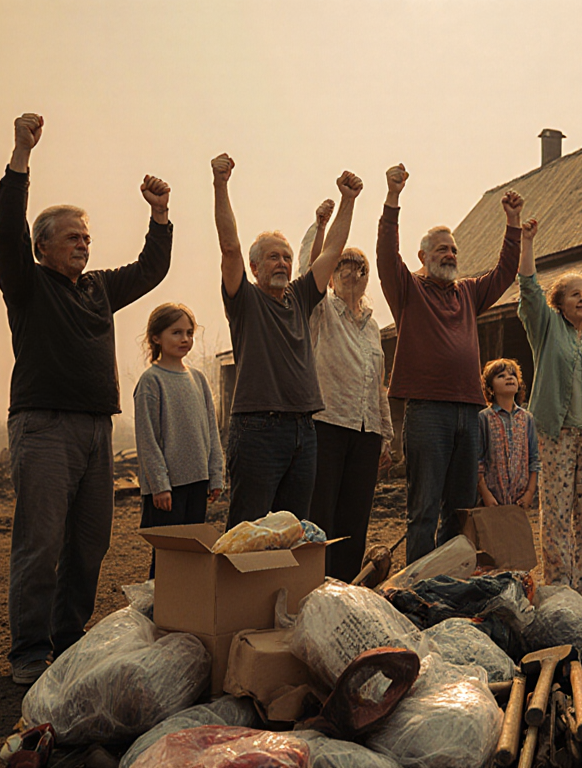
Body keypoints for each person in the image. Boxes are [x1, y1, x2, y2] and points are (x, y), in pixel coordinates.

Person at [0, 113, 172, 684]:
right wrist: (21, 156)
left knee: (89, 545)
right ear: (43, 245)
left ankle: (68, 641)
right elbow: (4, 232)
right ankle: (27, 654)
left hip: (97, 430)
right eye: (72, 237)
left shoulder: (99, 288)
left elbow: (152, 267)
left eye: (87, 238)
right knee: (39, 543)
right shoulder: (27, 282)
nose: (83, 245)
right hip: (43, 427)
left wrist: (160, 214)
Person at [377, 164, 523, 563]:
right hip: (428, 412)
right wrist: (393, 199)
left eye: (454, 248)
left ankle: (449, 585)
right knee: (423, 508)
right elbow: (386, 253)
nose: (450, 254)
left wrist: (512, 224)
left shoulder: (469, 293)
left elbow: (505, 272)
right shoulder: (407, 288)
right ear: (422, 256)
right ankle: (416, 591)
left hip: (469, 412)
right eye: (442, 248)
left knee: (460, 510)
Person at [213, 153, 361, 528]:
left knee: (294, 530)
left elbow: (332, 250)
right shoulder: (244, 300)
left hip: (304, 431)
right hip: (258, 430)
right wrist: (220, 184)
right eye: (272, 258)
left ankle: (283, 590)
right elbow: (229, 247)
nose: (281, 263)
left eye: (286, 257)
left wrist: (348, 200)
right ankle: (240, 590)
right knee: (249, 529)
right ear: (254, 267)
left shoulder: (300, 296)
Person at [517, 218, 582, 596]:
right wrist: (526, 239)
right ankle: (560, 587)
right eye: (574, 294)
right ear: (558, 303)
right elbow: (528, 289)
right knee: (558, 514)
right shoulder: (546, 328)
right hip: (555, 435)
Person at [295, 236, 394, 583]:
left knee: (355, 518)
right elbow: (308, 272)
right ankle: (312, 587)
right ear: (332, 275)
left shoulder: (372, 326)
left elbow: (378, 382)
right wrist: (320, 228)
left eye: (361, 268)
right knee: (320, 513)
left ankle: (345, 590)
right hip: (328, 423)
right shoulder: (321, 311)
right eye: (344, 265)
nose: (353, 273)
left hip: (367, 432)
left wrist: (385, 434)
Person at [133, 303, 224, 577]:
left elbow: (211, 429)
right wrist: (160, 485)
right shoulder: (151, 381)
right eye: (176, 332)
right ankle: (158, 613)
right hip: (167, 491)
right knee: (166, 559)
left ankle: (186, 612)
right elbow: (147, 440)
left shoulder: (198, 379)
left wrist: (215, 476)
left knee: (191, 557)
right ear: (156, 338)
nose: (185, 339)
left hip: (197, 484)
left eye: (189, 333)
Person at [477, 358, 539, 509]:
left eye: (512, 375)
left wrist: (530, 492)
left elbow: (534, 459)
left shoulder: (527, 418)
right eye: (501, 376)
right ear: (490, 388)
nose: (509, 378)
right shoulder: (484, 418)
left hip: (519, 501)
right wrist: (485, 494)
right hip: (492, 500)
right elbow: (477, 460)